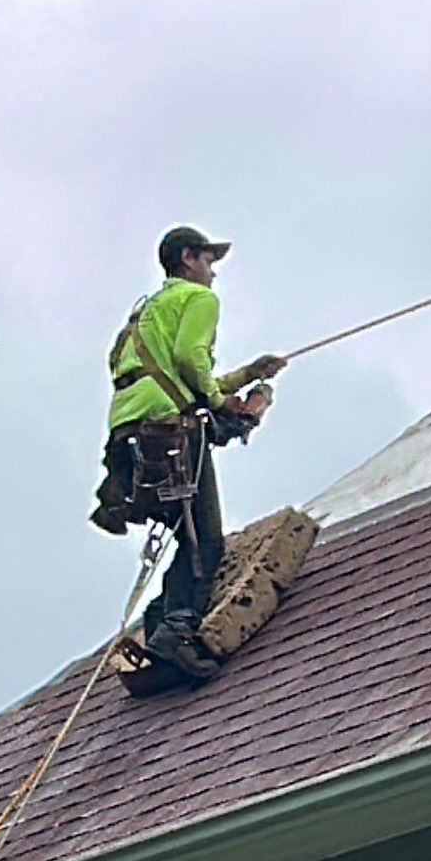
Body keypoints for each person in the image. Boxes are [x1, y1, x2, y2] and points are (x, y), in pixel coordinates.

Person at [92, 225, 285, 684]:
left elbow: (179, 374)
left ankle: (158, 629)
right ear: (187, 258)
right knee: (207, 540)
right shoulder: (199, 301)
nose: (213, 274)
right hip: (171, 431)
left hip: (130, 435)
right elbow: (189, 358)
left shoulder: (148, 310)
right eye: (208, 262)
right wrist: (223, 408)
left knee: (187, 536)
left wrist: (245, 376)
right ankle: (175, 632)